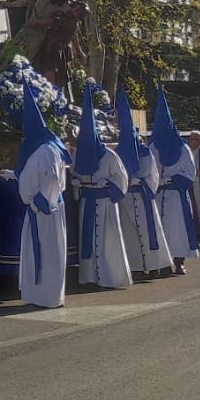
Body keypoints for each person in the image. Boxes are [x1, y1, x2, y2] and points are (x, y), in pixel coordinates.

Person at [70, 84, 132, 290]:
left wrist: (108, 186)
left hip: (105, 202)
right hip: (87, 201)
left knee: (107, 241)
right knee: (87, 239)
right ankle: (89, 277)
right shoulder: (78, 156)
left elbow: (121, 178)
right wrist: (77, 184)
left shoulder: (109, 155)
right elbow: (72, 174)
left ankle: (110, 276)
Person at [15, 84, 69, 307]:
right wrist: (9, 175)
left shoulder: (46, 150)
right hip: (39, 209)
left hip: (45, 210)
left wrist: (40, 204)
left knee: (48, 253)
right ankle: (36, 294)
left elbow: (51, 179)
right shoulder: (42, 148)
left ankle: (48, 296)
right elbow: (31, 176)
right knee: (39, 252)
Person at [113, 91, 173, 279]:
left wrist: (137, 181)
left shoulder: (145, 153)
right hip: (126, 199)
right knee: (130, 234)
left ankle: (157, 264)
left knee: (150, 231)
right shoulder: (118, 153)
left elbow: (151, 174)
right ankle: (136, 267)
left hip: (142, 196)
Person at [147, 84, 198, 271]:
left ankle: (179, 260)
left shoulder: (182, 148)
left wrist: (175, 180)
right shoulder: (152, 148)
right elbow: (147, 169)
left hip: (175, 194)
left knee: (178, 229)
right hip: (158, 193)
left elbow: (189, 172)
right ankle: (163, 262)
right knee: (159, 229)